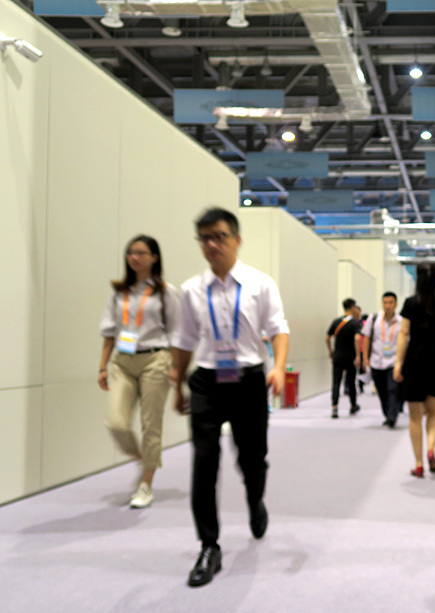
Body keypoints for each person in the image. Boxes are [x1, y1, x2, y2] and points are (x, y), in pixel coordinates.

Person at [171, 208, 289, 588]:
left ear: (237, 240)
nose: (212, 244)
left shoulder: (260, 284)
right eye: (205, 238)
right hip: (206, 381)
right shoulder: (191, 290)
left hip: (249, 379)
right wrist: (178, 384)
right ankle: (209, 546)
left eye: (219, 236)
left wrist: (278, 367)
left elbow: (278, 328)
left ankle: (255, 499)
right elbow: (185, 340)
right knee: (204, 462)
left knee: (252, 459)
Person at [98, 235, 178, 509]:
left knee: (150, 424)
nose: (135, 257)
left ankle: (146, 484)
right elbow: (109, 333)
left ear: (154, 257)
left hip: (156, 359)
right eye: (131, 252)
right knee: (116, 423)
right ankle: (144, 458)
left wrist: (176, 367)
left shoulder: (166, 292)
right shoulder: (118, 292)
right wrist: (102, 366)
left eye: (141, 253)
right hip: (123, 361)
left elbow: (177, 332)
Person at [394, 263, 435, 477]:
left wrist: (398, 363)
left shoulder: (411, 303)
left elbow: (403, 333)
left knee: (415, 416)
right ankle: (431, 450)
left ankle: (419, 464)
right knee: (433, 412)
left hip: (415, 360)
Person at [359, 292, 403, 428]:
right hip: (376, 361)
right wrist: (365, 358)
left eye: (390, 302)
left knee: (393, 389)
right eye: (385, 302)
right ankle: (388, 414)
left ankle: (392, 416)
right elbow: (366, 338)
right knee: (382, 390)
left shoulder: (401, 321)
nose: (387, 305)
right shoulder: (374, 319)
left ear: (395, 304)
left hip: (393, 361)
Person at [325, 298, 362, 419]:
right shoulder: (355, 323)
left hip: (338, 356)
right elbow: (357, 338)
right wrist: (358, 355)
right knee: (351, 382)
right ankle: (353, 405)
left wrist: (330, 351)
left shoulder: (336, 322)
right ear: (352, 307)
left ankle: (335, 407)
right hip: (350, 357)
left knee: (336, 382)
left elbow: (327, 337)